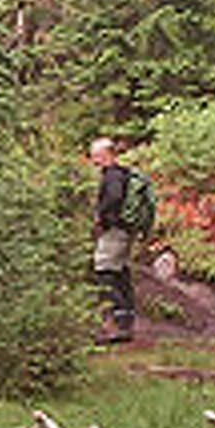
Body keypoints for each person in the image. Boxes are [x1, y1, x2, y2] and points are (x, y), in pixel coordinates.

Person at [87, 135, 135, 342]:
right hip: (123, 230)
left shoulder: (113, 175)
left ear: (106, 154)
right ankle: (124, 325)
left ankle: (113, 327)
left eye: (95, 155)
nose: (93, 160)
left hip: (114, 231)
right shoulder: (121, 174)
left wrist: (100, 213)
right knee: (121, 274)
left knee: (104, 272)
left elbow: (114, 197)